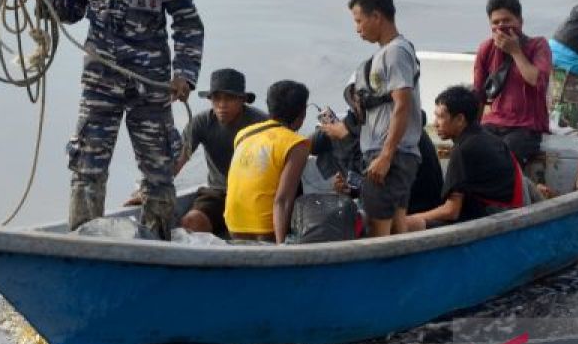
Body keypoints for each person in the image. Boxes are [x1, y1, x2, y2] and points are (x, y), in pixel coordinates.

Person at [21, 0, 204, 240]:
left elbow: (187, 24)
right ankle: (84, 244)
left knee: (158, 171)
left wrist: (184, 74)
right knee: (87, 167)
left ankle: (160, 245)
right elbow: (69, 10)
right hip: (101, 83)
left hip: (150, 88)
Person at [347, 0, 423, 236]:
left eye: (359, 21)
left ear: (376, 16)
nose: (357, 28)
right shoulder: (389, 52)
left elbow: (403, 104)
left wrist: (386, 156)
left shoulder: (395, 53)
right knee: (397, 222)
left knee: (378, 230)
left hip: (389, 154)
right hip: (396, 153)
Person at [403, 85, 523, 231]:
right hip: (511, 209)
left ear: (460, 119)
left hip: (494, 217)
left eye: (441, 117)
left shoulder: (463, 150)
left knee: (408, 224)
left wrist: (411, 219)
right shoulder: (486, 136)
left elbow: (451, 211)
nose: (435, 123)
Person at [176, 68, 268, 236]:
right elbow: (178, 160)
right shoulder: (201, 122)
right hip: (219, 192)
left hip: (255, 194)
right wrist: (154, 188)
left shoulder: (261, 124)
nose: (222, 104)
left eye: (229, 98)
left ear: (242, 100)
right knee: (191, 222)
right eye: (217, 98)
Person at [224, 80, 312, 244]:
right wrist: (280, 247)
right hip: (266, 231)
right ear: (303, 113)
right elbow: (283, 200)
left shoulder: (243, 134)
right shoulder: (298, 143)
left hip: (233, 227)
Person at [312, 105, 442, 215]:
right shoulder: (393, 125)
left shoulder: (395, 134)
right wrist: (351, 190)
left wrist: (345, 138)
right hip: (405, 206)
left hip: (415, 212)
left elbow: (375, 174)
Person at [472, 0, 552, 167]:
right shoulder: (486, 48)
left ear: (520, 22)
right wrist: (472, 130)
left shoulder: (538, 45)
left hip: (526, 127)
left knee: (504, 156)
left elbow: (536, 80)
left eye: (507, 21)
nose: (501, 26)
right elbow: (479, 94)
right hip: (493, 122)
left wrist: (515, 51)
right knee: (473, 151)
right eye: (495, 22)